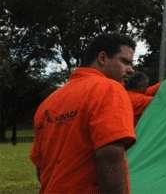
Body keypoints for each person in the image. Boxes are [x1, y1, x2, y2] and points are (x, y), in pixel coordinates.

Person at [30, 33, 137, 194]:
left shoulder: (48, 103)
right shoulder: (109, 89)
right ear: (102, 58)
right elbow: (110, 155)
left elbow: (41, 167)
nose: (131, 70)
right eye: (125, 62)